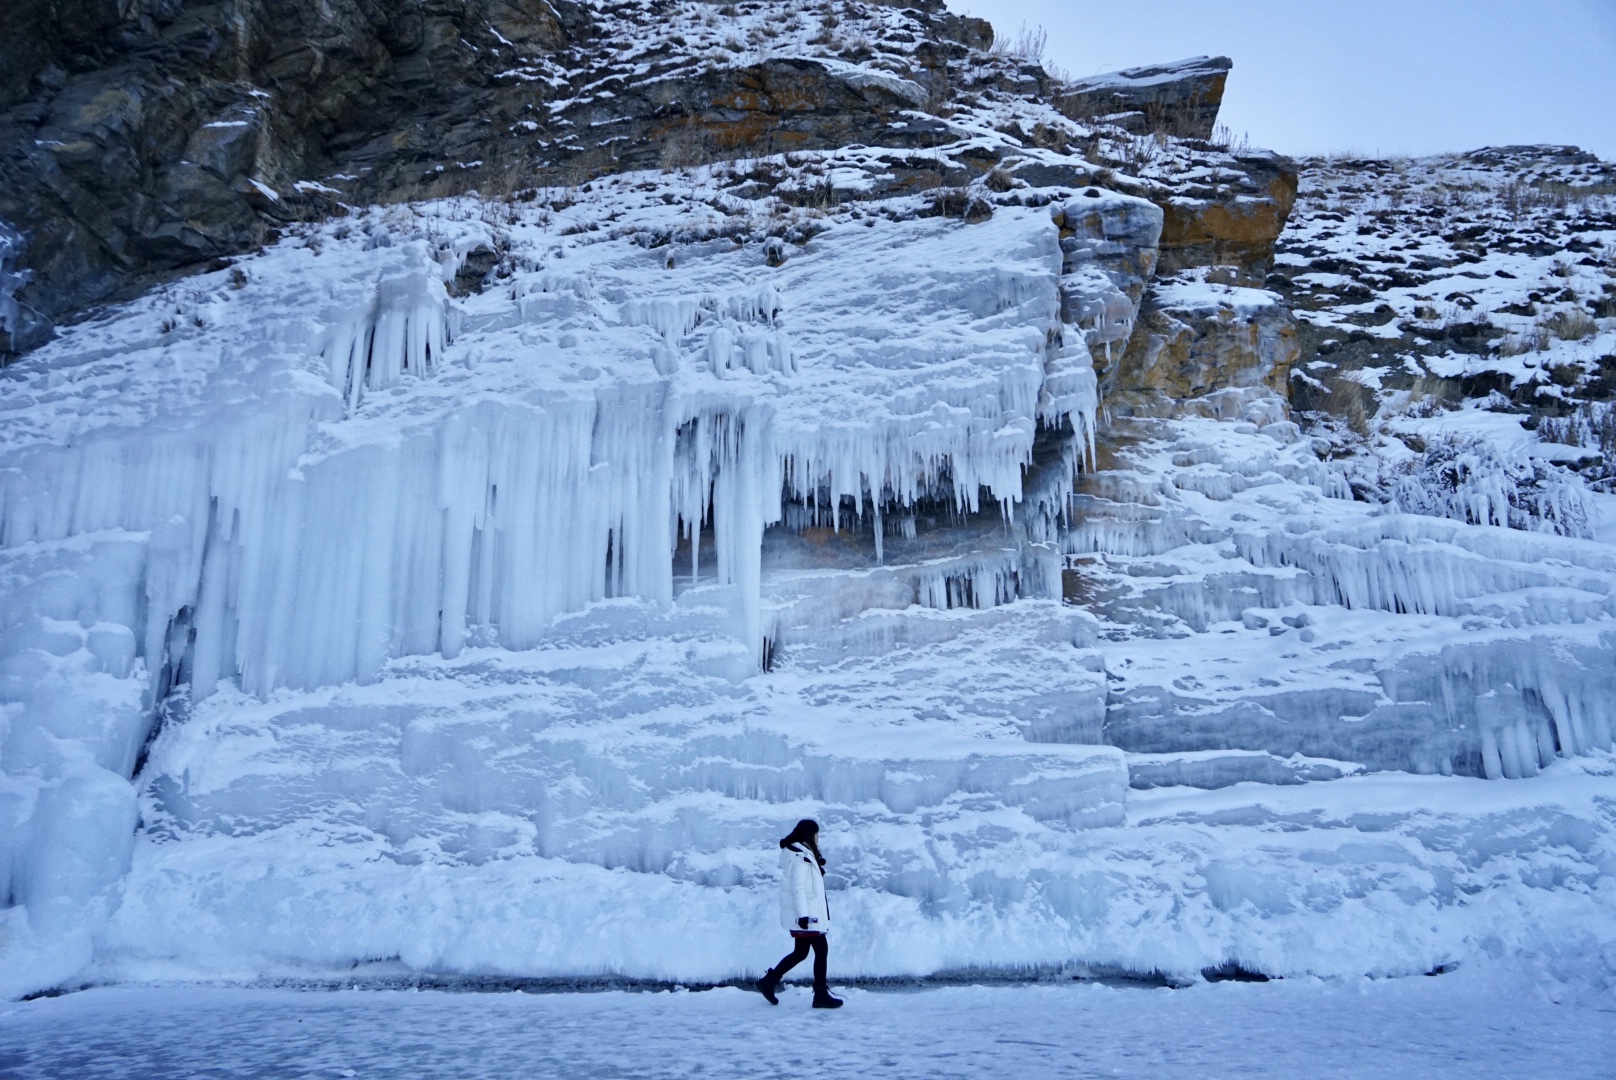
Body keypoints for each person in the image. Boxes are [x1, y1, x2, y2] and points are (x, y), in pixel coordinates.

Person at [756, 819, 842, 1009]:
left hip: (809, 915)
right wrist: (803, 916)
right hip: (808, 916)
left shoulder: (803, 854)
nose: (819, 838)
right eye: (817, 834)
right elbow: (798, 888)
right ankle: (820, 995)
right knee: (821, 950)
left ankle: (768, 981)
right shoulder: (800, 858)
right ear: (808, 835)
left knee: (801, 952)